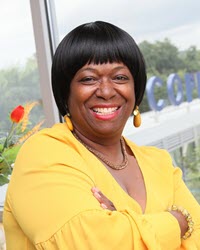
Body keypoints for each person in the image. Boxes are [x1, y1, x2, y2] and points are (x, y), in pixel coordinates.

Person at [3, 21, 200, 250]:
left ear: (135, 91)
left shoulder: (160, 162)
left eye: (120, 78)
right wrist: (179, 222)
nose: (106, 91)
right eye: (88, 79)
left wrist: (125, 227)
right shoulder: (44, 154)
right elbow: (88, 244)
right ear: (65, 92)